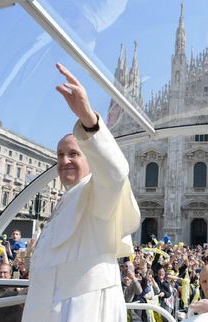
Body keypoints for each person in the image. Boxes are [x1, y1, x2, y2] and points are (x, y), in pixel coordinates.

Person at [21, 63, 141, 321]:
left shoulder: (97, 193)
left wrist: (88, 120)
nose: (65, 161)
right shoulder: (68, 198)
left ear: (91, 156)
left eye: (74, 153)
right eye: (60, 155)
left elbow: (116, 172)